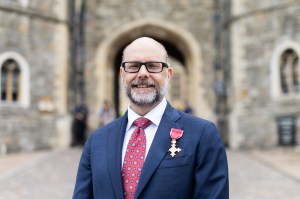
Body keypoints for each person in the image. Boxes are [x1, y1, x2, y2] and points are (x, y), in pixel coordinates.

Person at [73, 37, 229, 198]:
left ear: (168, 74)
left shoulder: (202, 134)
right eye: (133, 66)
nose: (142, 74)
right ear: (122, 74)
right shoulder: (97, 140)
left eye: (153, 66)